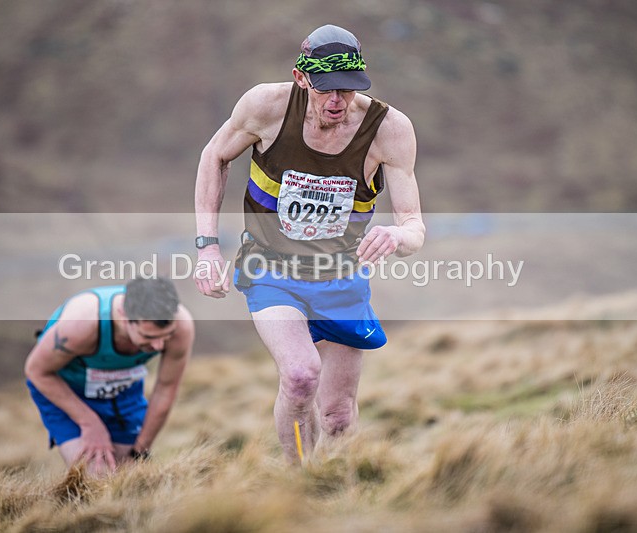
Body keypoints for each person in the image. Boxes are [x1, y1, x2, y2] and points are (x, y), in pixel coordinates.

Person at [193, 24, 425, 463]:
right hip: (271, 268)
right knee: (300, 376)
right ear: (302, 78)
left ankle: (335, 490)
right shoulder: (266, 106)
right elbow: (214, 155)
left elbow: (414, 228)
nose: (338, 101)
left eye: (348, 89)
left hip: (341, 277)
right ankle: (298, 483)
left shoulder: (389, 129)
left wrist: (397, 235)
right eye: (326, 90)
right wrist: (207, 248)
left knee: (337, 415)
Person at [24, 277, 194, 475]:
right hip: (66, 390)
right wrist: (90, 422)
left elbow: (166, 389)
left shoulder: (181, 328)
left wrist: (140, 452)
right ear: (123, 316)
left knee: (126, 477)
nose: (159, 346)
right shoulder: (81, 326)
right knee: (97, 477)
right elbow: (36, 371)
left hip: (122, 390)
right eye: (148, 337)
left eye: (166, 335)